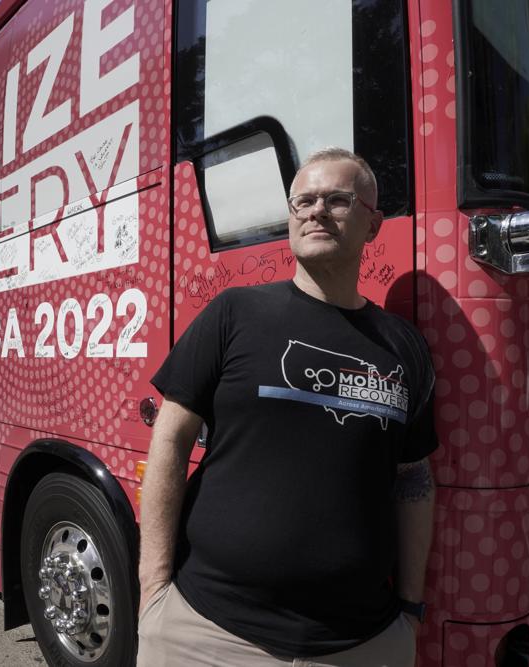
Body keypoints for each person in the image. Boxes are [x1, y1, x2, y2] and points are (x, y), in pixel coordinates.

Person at [137, 148, 438, 666]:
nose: (317, 210)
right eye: (304, 201)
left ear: (373, 224)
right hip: (206, 633)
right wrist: (153, 589)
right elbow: (169, 439)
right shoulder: (235, 313)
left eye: (338, 200)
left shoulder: (403, 347)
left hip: (362, 643)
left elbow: (413, 479)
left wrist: (410, 606)